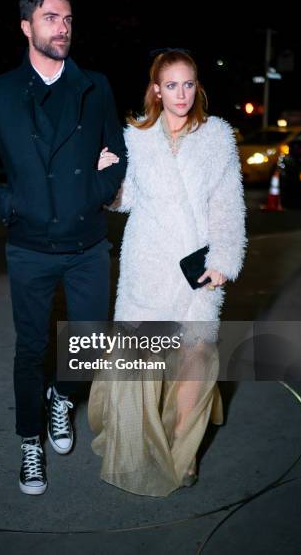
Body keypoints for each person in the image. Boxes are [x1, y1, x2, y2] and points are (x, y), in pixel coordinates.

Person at [0, 0, 126, 495]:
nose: (63, 27)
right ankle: (30, 440)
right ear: (27, 25)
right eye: (51, 18)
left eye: (68, 18)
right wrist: (13, 205)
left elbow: (119, 154)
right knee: (31, 348)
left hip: (87, 243)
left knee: (91, 343)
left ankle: (61, 401)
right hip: (30, 246)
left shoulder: (94, 85)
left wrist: (94, 189)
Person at [88, 49, 246, 496]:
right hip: (148, 263)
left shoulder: (217, 137)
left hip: (198, 269)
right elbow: (128, 200)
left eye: (189, 84)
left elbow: (228, 205)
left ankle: (184, 450)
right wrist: (109, 183)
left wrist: (224, 261)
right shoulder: (136, 137)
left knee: (194, 360)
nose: (181, 94)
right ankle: (137, 441)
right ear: (156, 89)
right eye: (171, 85)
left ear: (198, 87)